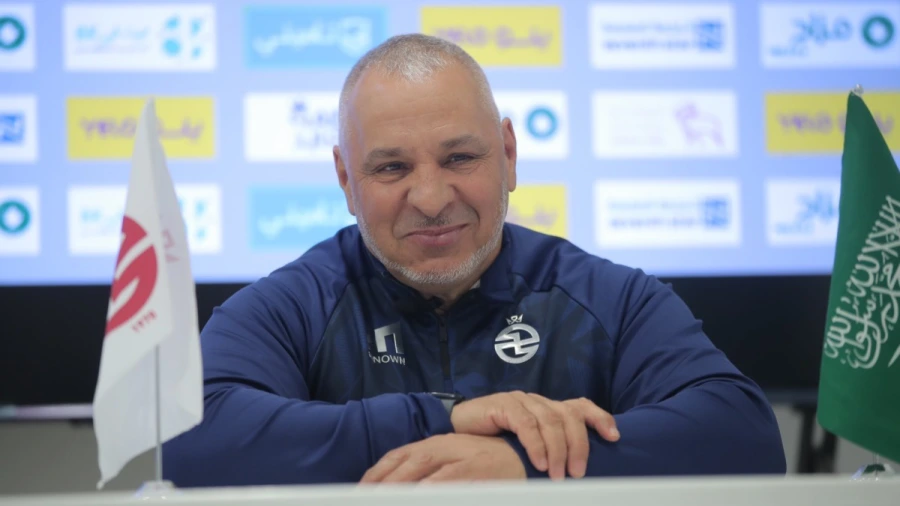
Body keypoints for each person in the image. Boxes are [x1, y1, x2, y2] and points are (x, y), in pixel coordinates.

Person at [162, 34, 786, 486]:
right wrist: (444, 419)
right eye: (391, 168)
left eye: (460, 158)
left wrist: (520, 463)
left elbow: (745, 437)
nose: (432, 198)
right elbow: (184, 440)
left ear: (508, 155)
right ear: (346, 179)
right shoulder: (295, 305)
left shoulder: (609, 299)